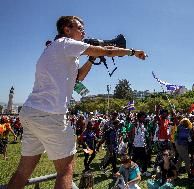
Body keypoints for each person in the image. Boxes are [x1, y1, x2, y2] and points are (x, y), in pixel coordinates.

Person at [6, 16, 147, 189]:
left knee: (23, 172)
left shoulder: (57, 49)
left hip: (31, 112)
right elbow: (109, 51)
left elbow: (77, 78)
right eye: (79, 28)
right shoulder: (66, 43)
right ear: (66, 29)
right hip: (50, 114)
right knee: (65, 170)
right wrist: (133, 52)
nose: (83, 32)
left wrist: (91, 59)